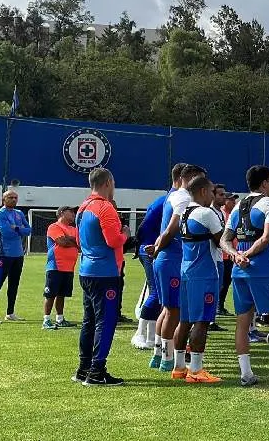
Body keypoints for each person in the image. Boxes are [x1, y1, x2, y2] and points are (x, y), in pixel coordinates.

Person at [220, 165, 269, 387]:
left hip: (239, 271)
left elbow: (224, 240)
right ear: (264, 183)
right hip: (262, 271)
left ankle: (246, 374)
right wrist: (247, 254)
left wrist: (236, 255)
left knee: (242, 323)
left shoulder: (237, 207)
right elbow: (266, 238)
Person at [147, 164, 207, 372]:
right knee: (174, 311)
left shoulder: (174, 195)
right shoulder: (183, 197)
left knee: (168, 309)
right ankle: (166, 358)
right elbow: (172, 229)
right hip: (172, 259)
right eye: (199, 179)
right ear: (188, 178)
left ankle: (158, 354)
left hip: (167, 258)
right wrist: (157, 248)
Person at [75, 167, 130, 386]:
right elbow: (113, 241)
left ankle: (83, 368)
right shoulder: (105, 208)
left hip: (86, 270)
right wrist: (125, 233)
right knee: (105, 322)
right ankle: (97, 371)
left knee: (89, 321)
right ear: (108, 182)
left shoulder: (82, 207)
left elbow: (79, 242)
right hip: (104, 273)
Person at [171, 175, 225, 384]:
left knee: (184, 320)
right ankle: (196, 369)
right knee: (202, 321)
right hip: (204, 274)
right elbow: (223, 242)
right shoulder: (206, 213)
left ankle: (179, 367)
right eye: (212, 191)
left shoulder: (185, 212)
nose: (213, 195)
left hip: (186, 271)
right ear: (203, 191)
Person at [132, 164, 183, 351]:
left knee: (163, 297)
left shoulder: (170, 199)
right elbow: (146, 227)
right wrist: (147, 247)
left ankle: (156, 335)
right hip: (153, 249)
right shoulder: (169, 200)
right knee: (155, 293)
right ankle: (140, 333)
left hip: (160, 250)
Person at [0, 190, 32, 324]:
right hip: (4, 255)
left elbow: (28, 230)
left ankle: (10, 313)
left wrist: (16, 228)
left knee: (14, 284)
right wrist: (19, 230)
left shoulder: (18, 214)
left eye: (15, 197)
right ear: (3, 199)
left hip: (18, 255)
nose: (13, 199)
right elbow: (6, 233)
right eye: (10, 197)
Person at [43, 206, 79, 330]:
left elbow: (79, 244)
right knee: (50, 294)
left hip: (69, 267)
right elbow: (62, 242)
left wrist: (70, 239)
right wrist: (71, 241)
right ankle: (46, 320)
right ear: (62, 213)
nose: (74, 214)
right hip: (55, 266)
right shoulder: (54, 227)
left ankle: (60, 318)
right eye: (71, 212)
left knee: (62, 294)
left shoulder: (74, 229)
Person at [208, 183, 228, 332]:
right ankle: (208, 320)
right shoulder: (209, 212)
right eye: (220, 194)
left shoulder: (220, 212)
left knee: (218, 287)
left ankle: (211, 319)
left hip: (219, 257)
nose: (224, 197)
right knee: (212, 288)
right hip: (211, 257)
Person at [218, 191, 238, 316]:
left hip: (230, 255)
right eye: (231, 200)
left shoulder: (233, 214)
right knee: (222, 283)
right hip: (222, 256)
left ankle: (221, 305)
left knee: (226, 283)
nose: (234, 202)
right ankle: (218, 307)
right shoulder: (222, 214)